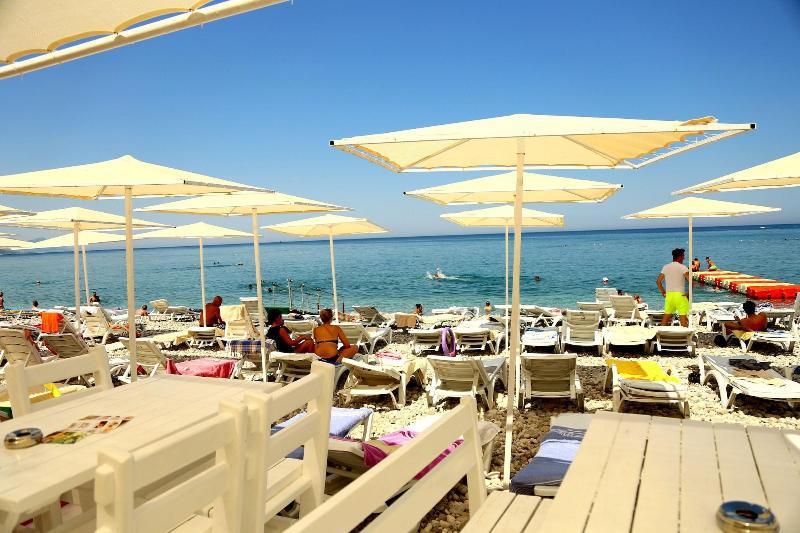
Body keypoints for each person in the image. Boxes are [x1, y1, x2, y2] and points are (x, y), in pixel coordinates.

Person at [656, 248, 690, 327]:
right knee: (683, 320)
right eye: (683, 256)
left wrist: (663, 292)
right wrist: (688, 293)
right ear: (680, 257)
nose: (684, 258)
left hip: (669, 296)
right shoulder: (683, 267)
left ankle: (661, 333)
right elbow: (691, 282)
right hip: (680, 296)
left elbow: (658, 282)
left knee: (665, 319)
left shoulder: (666, 267)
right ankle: (685, 334)